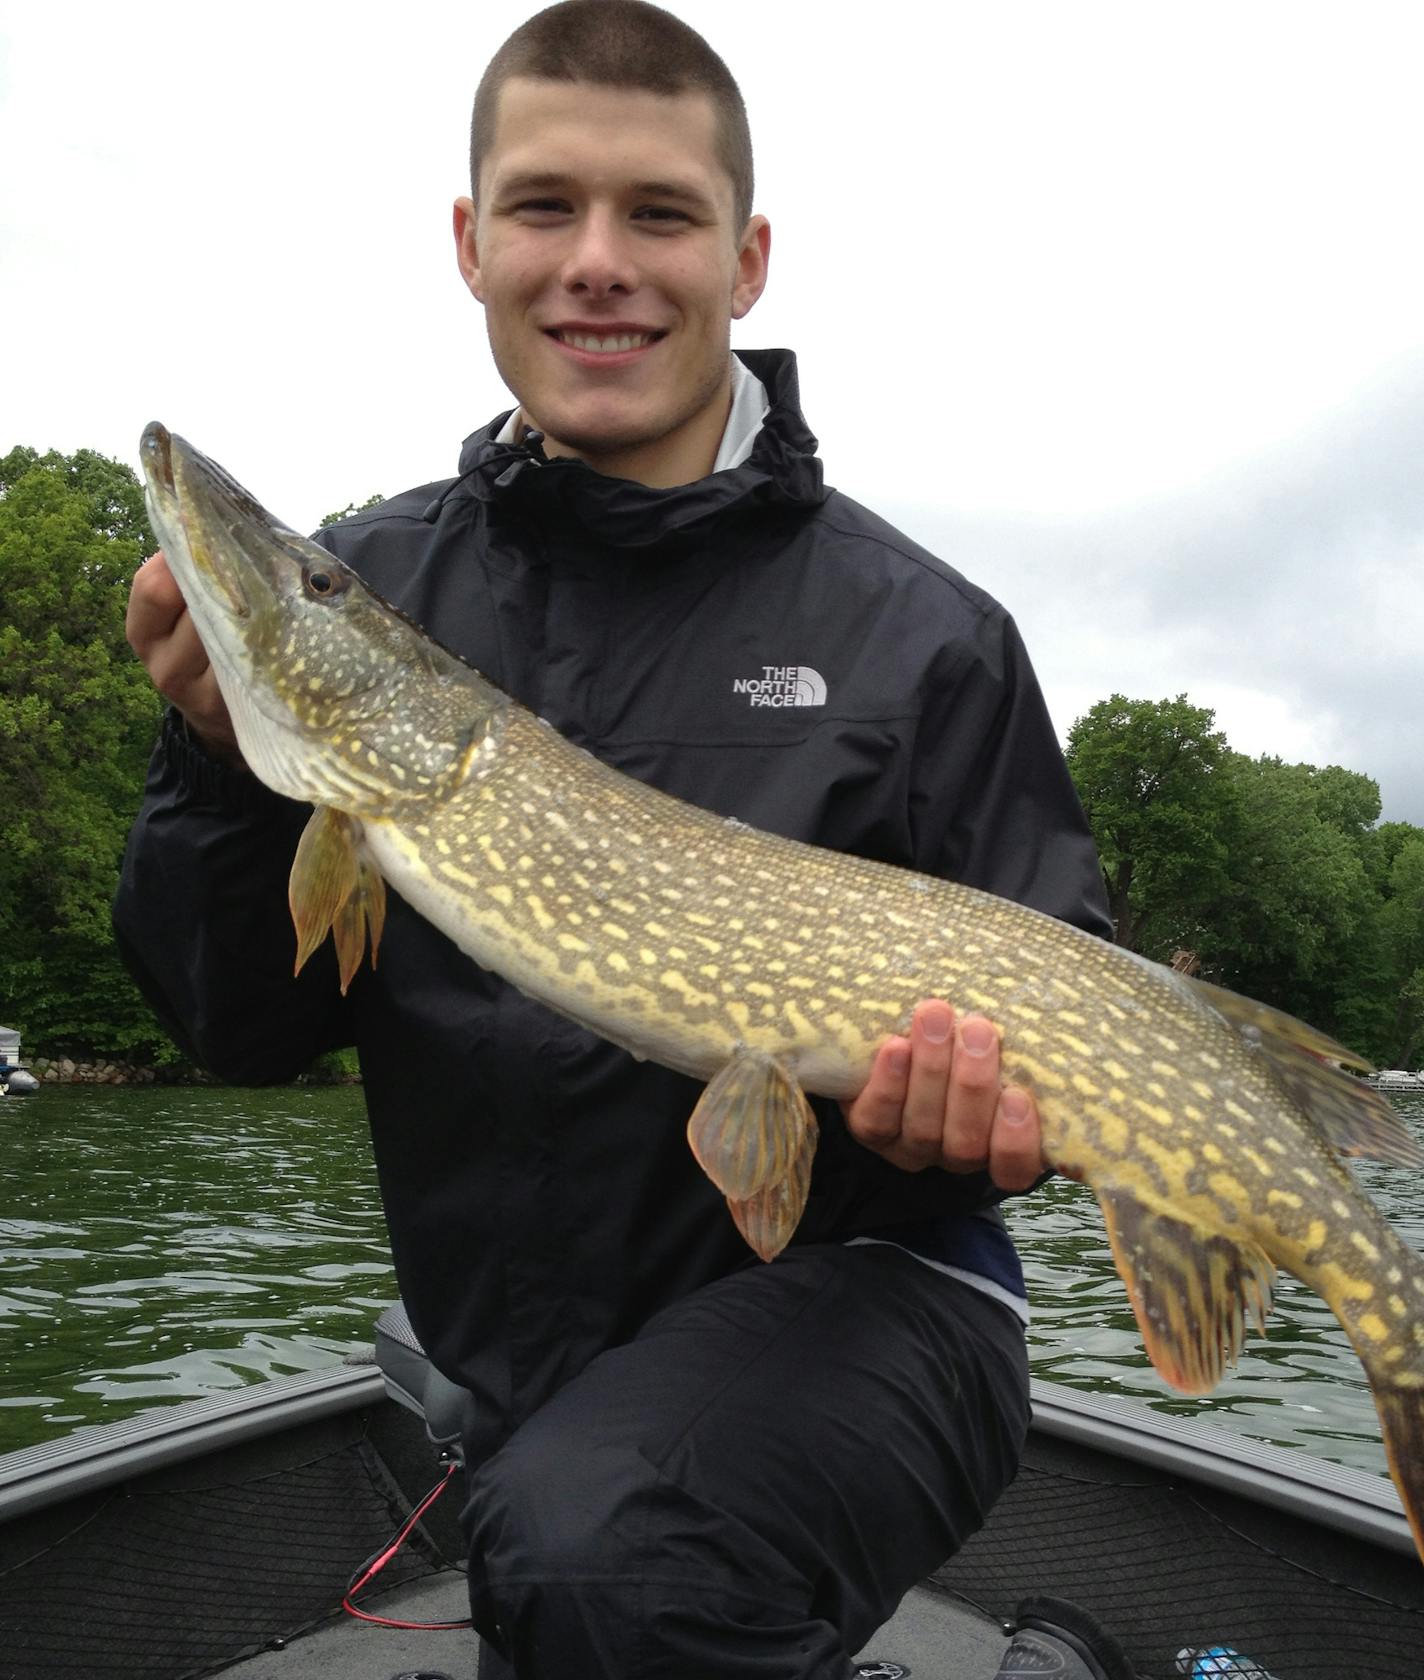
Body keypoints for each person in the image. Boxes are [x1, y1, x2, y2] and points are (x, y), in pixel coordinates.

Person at [116, 4, 1111, 1675]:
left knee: (607, 1552)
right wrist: (224, 764)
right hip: (521, 1342)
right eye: (542, 208)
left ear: (748, 256)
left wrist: (987, 1119)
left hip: (890, 1288)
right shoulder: (386, 592)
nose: (597, 262)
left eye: (658, 214)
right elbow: (236, 1023)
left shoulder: (927, 637)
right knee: (582, 1541)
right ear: (469, 241)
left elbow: (1068, 1012)